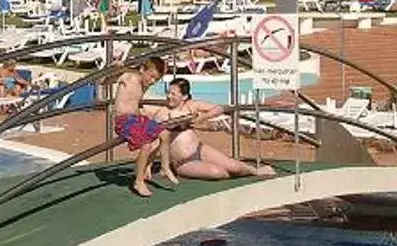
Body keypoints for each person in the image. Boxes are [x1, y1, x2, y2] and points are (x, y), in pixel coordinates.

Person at [161, 78, 275, 180]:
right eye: (168, 93)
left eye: (173, 93)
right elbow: (157, 140)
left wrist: (203, 117)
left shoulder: (191, 105)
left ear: (184, 97)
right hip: (183, 161)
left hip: (200, 150)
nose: (169, 96)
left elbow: (219, 108)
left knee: (234, 167)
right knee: (217, 173)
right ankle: (229, 173)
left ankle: (255, 171)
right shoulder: (164, 112)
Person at [110, 57, 176, 197]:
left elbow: (134, 101)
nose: (152, 81)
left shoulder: (145, 84)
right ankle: (138, 181)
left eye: (156, 79)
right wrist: (113, 69)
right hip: (123, 121)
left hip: (136, 119)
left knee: (164, 133)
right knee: (146, 144)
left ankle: (165, 167)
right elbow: (102, 82)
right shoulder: (128, 77)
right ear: (141, 70)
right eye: (151, 77)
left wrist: (142, 111)